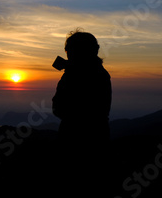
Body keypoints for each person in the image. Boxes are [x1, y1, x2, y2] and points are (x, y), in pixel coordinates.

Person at [51, 29, 112, 197]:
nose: (68, 54)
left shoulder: (80, 74)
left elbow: (59, 107)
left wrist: (70, 71)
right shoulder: (99, 73)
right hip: (96, 140)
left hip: (77, 142)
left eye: (70, 50)